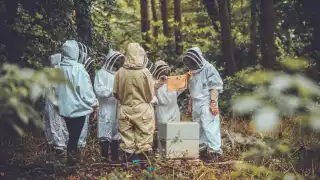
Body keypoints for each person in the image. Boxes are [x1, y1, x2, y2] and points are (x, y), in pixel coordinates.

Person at [112, 43, 164, 170]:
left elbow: (116, 93)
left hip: (125, 109)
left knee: (127, 140)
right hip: (143, 110)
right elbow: (150, 95)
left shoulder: (120, 72)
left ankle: (126, 168)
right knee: (144, 139)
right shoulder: (145, 72)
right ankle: (144, 168)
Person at [56, 40, 99, 166]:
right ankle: (71, 163)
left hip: (63, 109)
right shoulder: (79, 68)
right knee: (74, 137)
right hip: (78, 109)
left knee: (71, 136)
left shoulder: (59, 68)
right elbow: (86, 90)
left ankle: (70, 161)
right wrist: (95, 103)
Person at [182, 47, 223, 159]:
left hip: (207, 101)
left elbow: (214, 86)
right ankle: (202, 149)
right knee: (198, 126)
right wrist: (190, 106)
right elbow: (191, 90)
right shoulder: (191, 73)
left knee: (210, 126)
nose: (192, 63)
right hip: (196, 103)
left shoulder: (209, 68)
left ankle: (215, 151)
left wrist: (213, 103)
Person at [94, 49, 124, 163]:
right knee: (105, 132)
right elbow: (99, 91)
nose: (118, 62)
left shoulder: (119, 75)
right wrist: (112, 91)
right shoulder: (101, 73)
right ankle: (104, 159)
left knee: (116, 132)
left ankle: (115, 158)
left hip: (117, 106)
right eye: (116, 60)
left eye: (119, 60)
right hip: (106, 107)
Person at [43, 53, 69, 163]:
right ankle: (57, 156)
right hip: (53, 106)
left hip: (54, 106)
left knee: (56, 128)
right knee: (56, 128)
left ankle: (59, 156)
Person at [153, 60, 184, 124]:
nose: (164, 72)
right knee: (164, 132)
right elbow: (153, 98)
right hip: (162, 112)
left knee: (176, 132)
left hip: (174, 110)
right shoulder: (154, 83)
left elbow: (177, 93)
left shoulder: (172, 81)